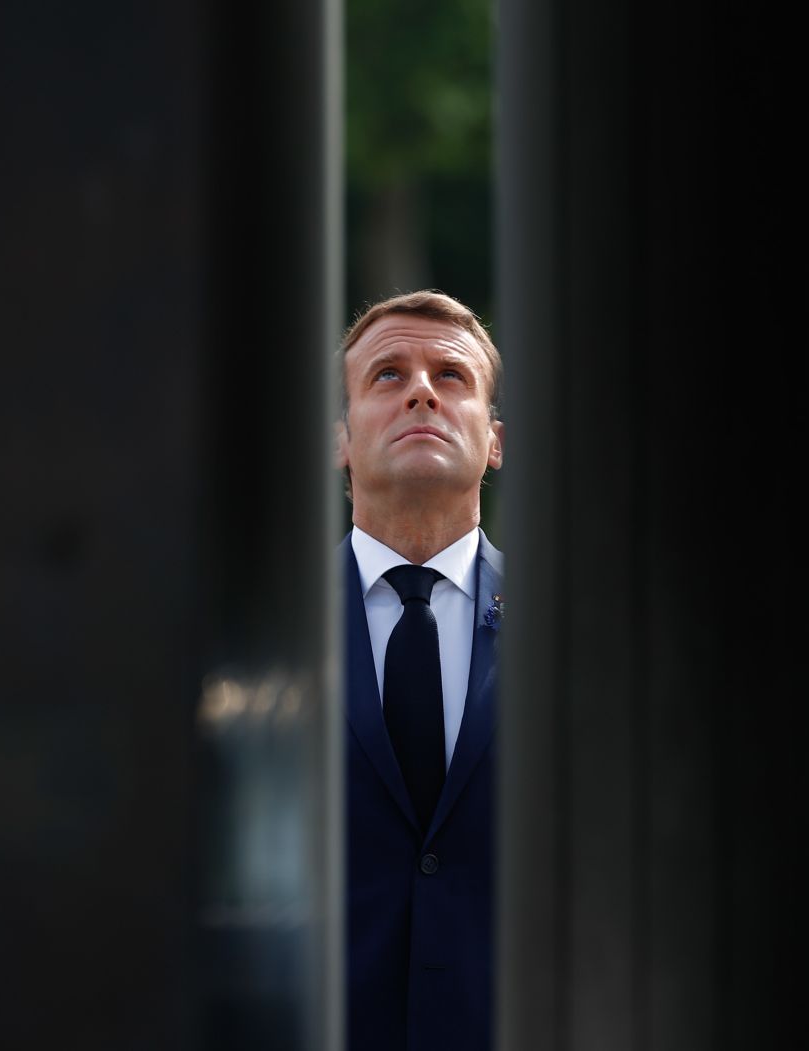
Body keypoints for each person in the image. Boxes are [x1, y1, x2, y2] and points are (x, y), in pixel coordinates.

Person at [334, 290, 505, 1051]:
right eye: (387, 375)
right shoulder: (264, 642)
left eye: (452, 375)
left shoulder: (576, 636)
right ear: (340, 439)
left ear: (494, 440)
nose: (422, 391)